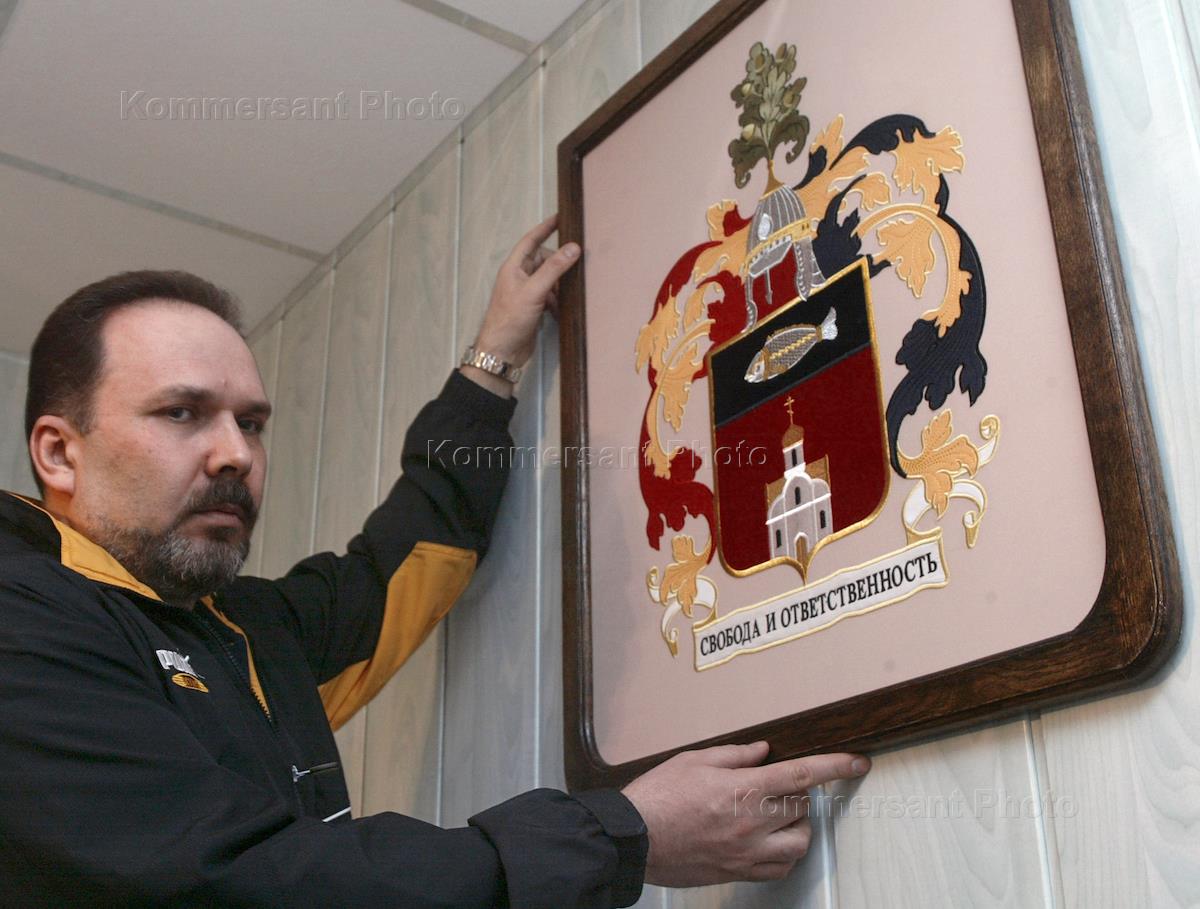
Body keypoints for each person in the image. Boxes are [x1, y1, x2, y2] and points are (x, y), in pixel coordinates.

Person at [0, 215, 871, 907]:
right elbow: (244, 878)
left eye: (252, 422)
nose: (236, 453)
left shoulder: (247, 629)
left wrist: (494, 359)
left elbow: (407, 558)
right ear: (59, 453)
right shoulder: (24, 619)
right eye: (182, 413)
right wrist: (622, 836)